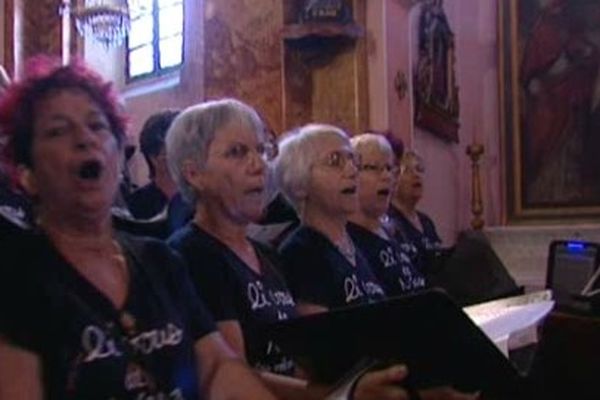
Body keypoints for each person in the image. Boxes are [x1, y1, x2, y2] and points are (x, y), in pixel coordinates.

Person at [0, 56, 276, 400]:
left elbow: (218, 367)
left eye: (98, 126)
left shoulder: (160, 260)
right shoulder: (15, 276)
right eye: (58, 131)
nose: (85, 139)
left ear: (117, 157)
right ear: (26, 173)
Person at [166, 100, 423, 400]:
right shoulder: (192, 253)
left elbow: (304, 362)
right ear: (194, 173)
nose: (259, 164)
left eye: (261, 150)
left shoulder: (268, 255)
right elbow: (232, 376)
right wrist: (342, 395)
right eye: (237, 152)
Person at [276, 124, 387, 314]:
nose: (352, 171)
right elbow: (320, 337)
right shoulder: (301, 253)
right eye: (335, 160)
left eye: (353, 159)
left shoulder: (355, 246)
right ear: (300, 183)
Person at [347, 133, 426, 296]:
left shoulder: (395, 231)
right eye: (374, 168)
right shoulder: (347, 240)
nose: (386, 176)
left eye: (390, 168)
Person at [125, 109, 193, 233]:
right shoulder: (134, 208)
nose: (190, 152)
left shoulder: (202, 198)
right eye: (180, 145)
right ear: (155, 157)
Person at [388, 150, 443, 275]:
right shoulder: (389, 220)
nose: (416, 175)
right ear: (394, 178)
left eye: (419, 169)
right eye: (407, 170)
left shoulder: (426, 222)